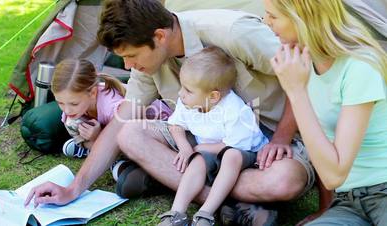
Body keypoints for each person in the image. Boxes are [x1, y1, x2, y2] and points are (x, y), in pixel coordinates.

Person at [25, 1, 315, 225]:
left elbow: (308, 74)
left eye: (131, 56)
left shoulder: (233, 32)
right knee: (130, 133)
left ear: (160, 36)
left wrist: (282, 137)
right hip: (203, 141)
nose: (127, 67)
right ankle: (222, 205)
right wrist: (75, 188)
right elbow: (120, 122)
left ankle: (194, 189)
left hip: (268, 138)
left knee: (283, 181)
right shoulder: (150, 64)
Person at [263, 0, 387, 225]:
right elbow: (323, 147)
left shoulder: (360, 66)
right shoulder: (303, 64)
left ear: (303, 17)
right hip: (348, 202)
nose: (266, 21)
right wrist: (326, 210)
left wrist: (296, 92)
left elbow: (334, 175)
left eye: (273, 16)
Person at [158, 46, 269, 225]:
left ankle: (205, 214)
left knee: (230, 156)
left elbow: (234, 145)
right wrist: (185, 147)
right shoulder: (187, 103)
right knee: (198, 159)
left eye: (188, 90)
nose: (180, 94)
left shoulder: (234, 109)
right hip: (213, 152)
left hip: (246, 152)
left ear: (213, 96)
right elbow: (175, 124)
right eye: (182, 87)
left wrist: (200, 148)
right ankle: (177, 213)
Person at [51, 59, 171, 158]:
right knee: (71, 122)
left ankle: (107, 156)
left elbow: (127, 138)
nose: (66, 110)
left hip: (162, 129)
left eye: (74, 104)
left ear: (92, 93)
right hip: (125, 130)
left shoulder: (111, 107)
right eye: (60, 102)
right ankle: (88, 148)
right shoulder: (76, 105)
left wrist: (97, 136)